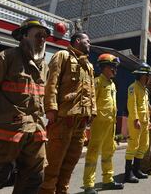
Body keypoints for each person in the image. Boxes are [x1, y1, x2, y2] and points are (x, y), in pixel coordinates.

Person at [0, 19, 50, 194]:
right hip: (4, 133)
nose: (42, 40)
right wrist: (2, 113)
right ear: (24, 36)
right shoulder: (6, 58)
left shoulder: (44, 67)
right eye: (38, 35)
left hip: (35, 134)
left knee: (34, 179)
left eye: (45, 36)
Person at [40, 32, 97, 194]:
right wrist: (50, 108)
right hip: (63, 121)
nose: (90, 44)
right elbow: (51, 83)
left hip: (80, 124)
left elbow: (91, 91)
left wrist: (92, 113)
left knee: (69, 164)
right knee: (53, 164)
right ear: (77, 41)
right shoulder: (62, 56)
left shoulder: (89, 65)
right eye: (88, 40)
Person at [82, 54, 124, 194]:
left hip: (110, 124)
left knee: (108, 152)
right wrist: (88, 119)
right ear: (105, 67)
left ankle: (108, 180)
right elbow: (91, 101)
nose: (115, 70)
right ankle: (89, 185)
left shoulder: (112, 84)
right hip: (99, 123)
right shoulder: (97, 81)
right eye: (113, 67)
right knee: (93, 153)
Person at [124, 63, 151, 183]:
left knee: (144, 145)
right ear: (143, 76)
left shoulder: (145, 90)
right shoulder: (133, 87)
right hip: (136, 121)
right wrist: (135, 119)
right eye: (148, 76)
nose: (149, 78)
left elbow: (145, 107)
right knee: (133, 146)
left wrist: (149, 121)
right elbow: (132, 104)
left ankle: (136, 170)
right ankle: (128, 173)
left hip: (145, 122)